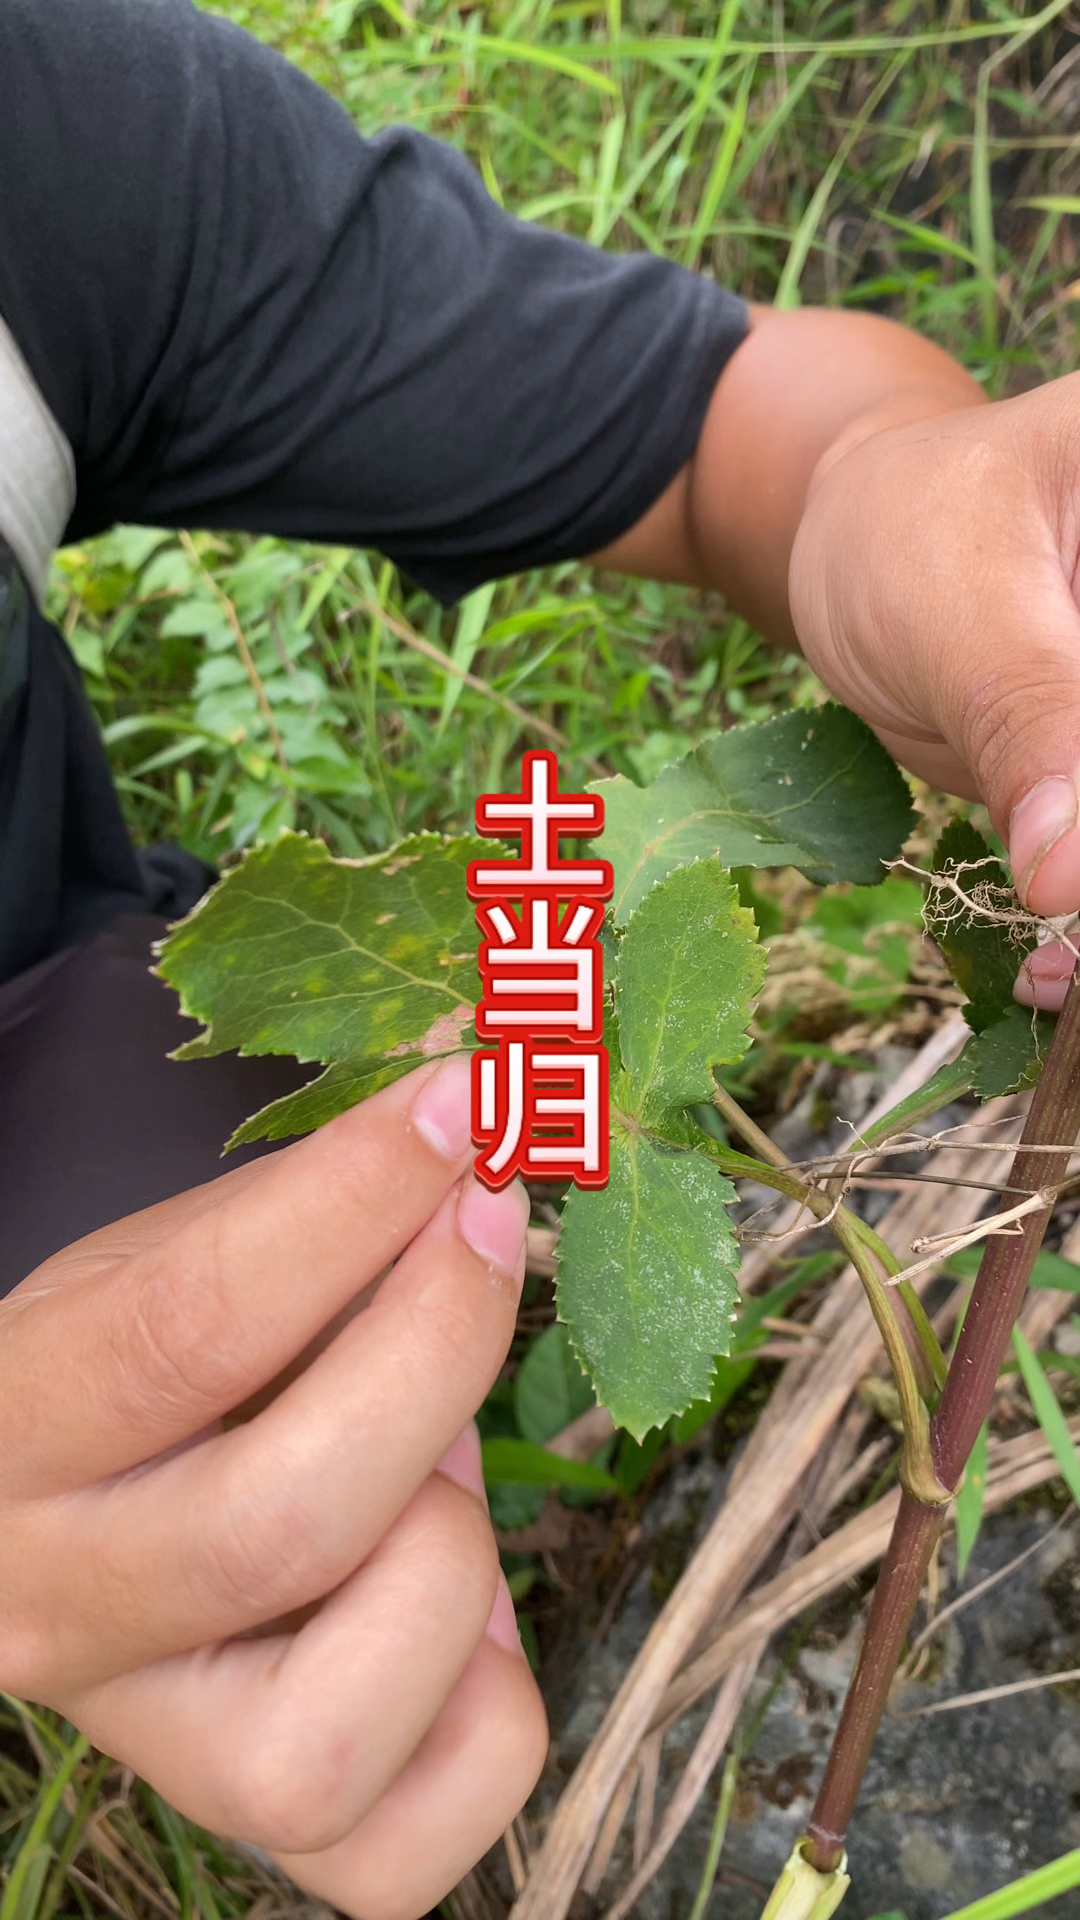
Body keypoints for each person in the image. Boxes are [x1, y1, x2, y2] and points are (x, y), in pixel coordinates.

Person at [2, 1, 1079, 1914]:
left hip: (58, 1017)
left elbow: (730, 422)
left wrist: (906, 478)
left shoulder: (57, 144)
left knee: (334, 1403)